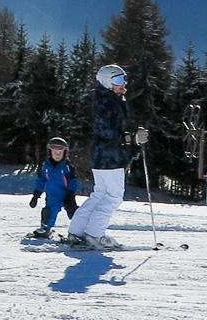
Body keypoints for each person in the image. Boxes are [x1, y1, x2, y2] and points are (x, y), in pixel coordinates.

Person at [66, 65, 149, 250]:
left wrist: (131, 138)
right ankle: (94, 235)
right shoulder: (108, 102)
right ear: (106, 82)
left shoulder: (106, 99)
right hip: (110, 157)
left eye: (124, 79)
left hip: (101, 156)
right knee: (113, 196)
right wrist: (132, 139)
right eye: (118, 80)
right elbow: (106, 131)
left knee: (100, 194)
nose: (123, 84)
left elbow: (111, 130)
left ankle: (77, 231)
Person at [26, 137, 81, 239]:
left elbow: (73, 181)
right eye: (55, 152)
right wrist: (36, 195)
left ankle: (82, 229)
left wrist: (70, 193)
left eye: (60, 153)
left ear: (65, 153)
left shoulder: (67, 167)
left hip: (66, 194)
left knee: (73, 212)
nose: (57, 155)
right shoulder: (45, 166)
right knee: (49, 210)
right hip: (52, 194)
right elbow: (41, 180)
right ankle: (45, 228)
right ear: (50, 152)